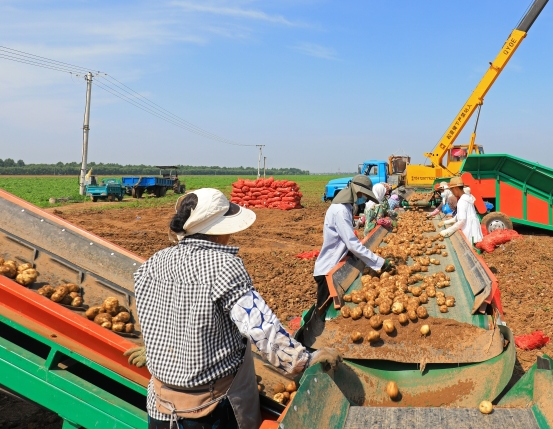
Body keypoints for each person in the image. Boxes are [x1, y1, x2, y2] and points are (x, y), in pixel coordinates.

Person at [129, 188, 341, 429]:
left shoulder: (153, 263)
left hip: (161, 409)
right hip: (210, 413)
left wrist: (158, 352)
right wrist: (303, 360)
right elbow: (260, 327)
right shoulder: (223, 266)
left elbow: (156, 318)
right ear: (218, 230)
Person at [313, 175, 392, 313]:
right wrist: (380, 263)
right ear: (356, 191)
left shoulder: (346, 207)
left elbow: (347, 234)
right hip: (329, 270)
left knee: (325, 309)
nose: (364, 198)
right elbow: (352, 244)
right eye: (363, 194)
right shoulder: (340, 210)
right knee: (323, 312)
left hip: (336, 265)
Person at [439, 176, 483, 244]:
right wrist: (446, 222)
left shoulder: (462, 201)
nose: (452, 192)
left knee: (471, 249)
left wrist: (448, 230)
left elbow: (462, 220)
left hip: (469, 231)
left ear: (456, 188)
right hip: (474, 229)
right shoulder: (468, 197)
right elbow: (459, 216)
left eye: (452, 190)